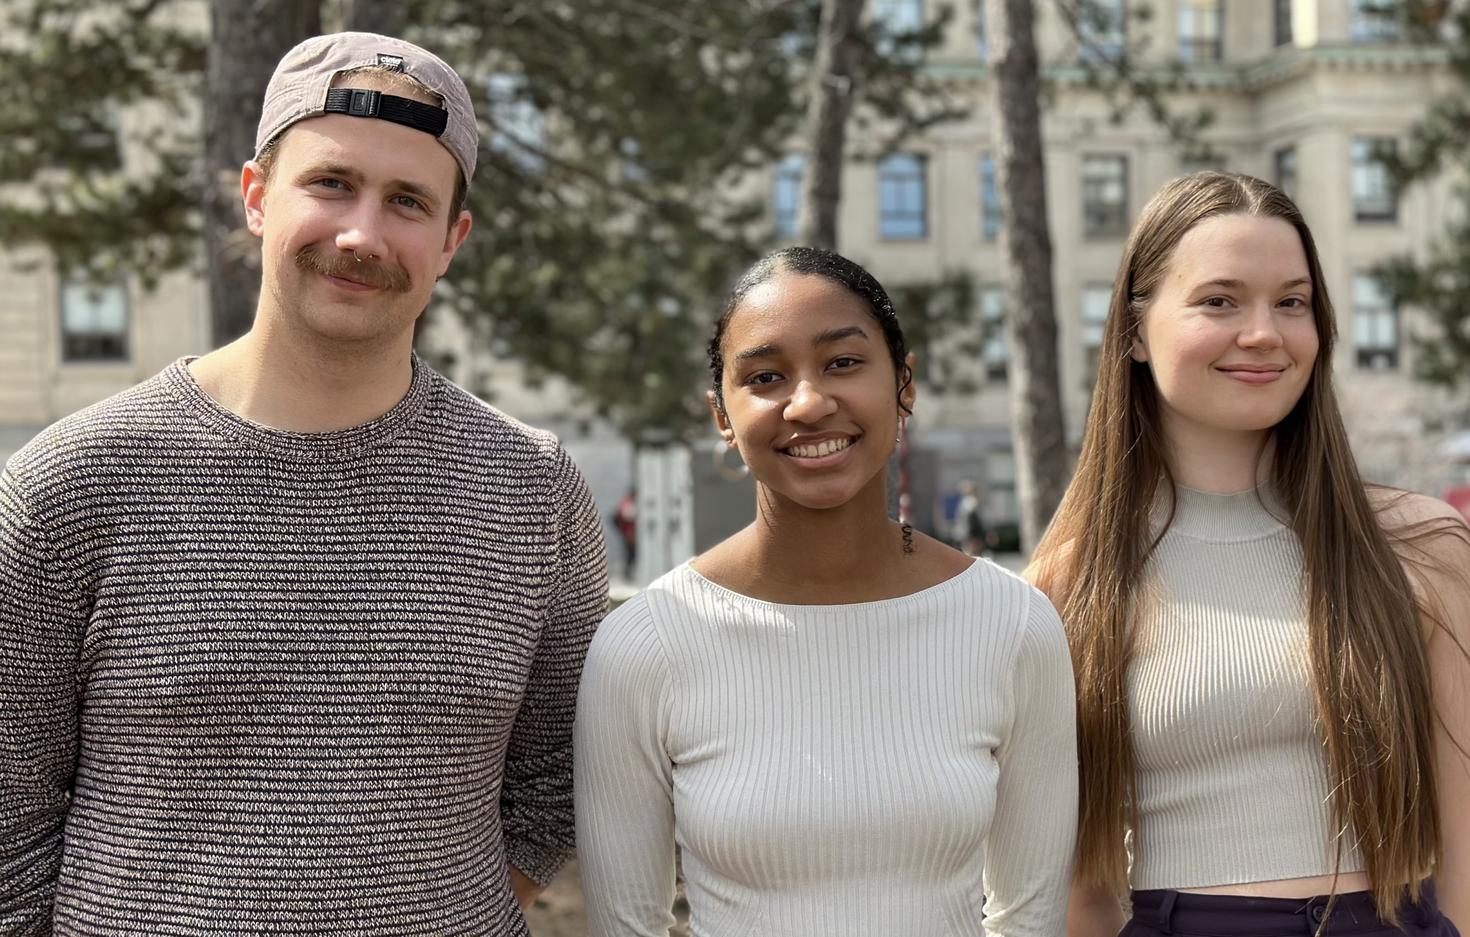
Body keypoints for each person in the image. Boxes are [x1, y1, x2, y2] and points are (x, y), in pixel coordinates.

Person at [0, 32, 607, 936]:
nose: (362, 234)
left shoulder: (531, 489)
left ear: (451, 240)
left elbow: (559, 775)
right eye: (331, 184)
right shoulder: (72, 483)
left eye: (407, 201)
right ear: (255, 196)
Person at [574, 246, 1077, 936]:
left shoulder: (1012, 623)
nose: (808, 402)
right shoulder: (645, 644)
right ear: (721, 414)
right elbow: (627, 924)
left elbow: (1031, 916)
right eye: (765, 376)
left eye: (842, 362)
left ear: (905, 383)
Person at [1027, 171, 1470, 937]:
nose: (1264, 331)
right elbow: (1079, 894)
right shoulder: (1068, 585)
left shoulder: (1421, 545)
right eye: (1219, 300)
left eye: (1291, 302)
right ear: (1133, 332)